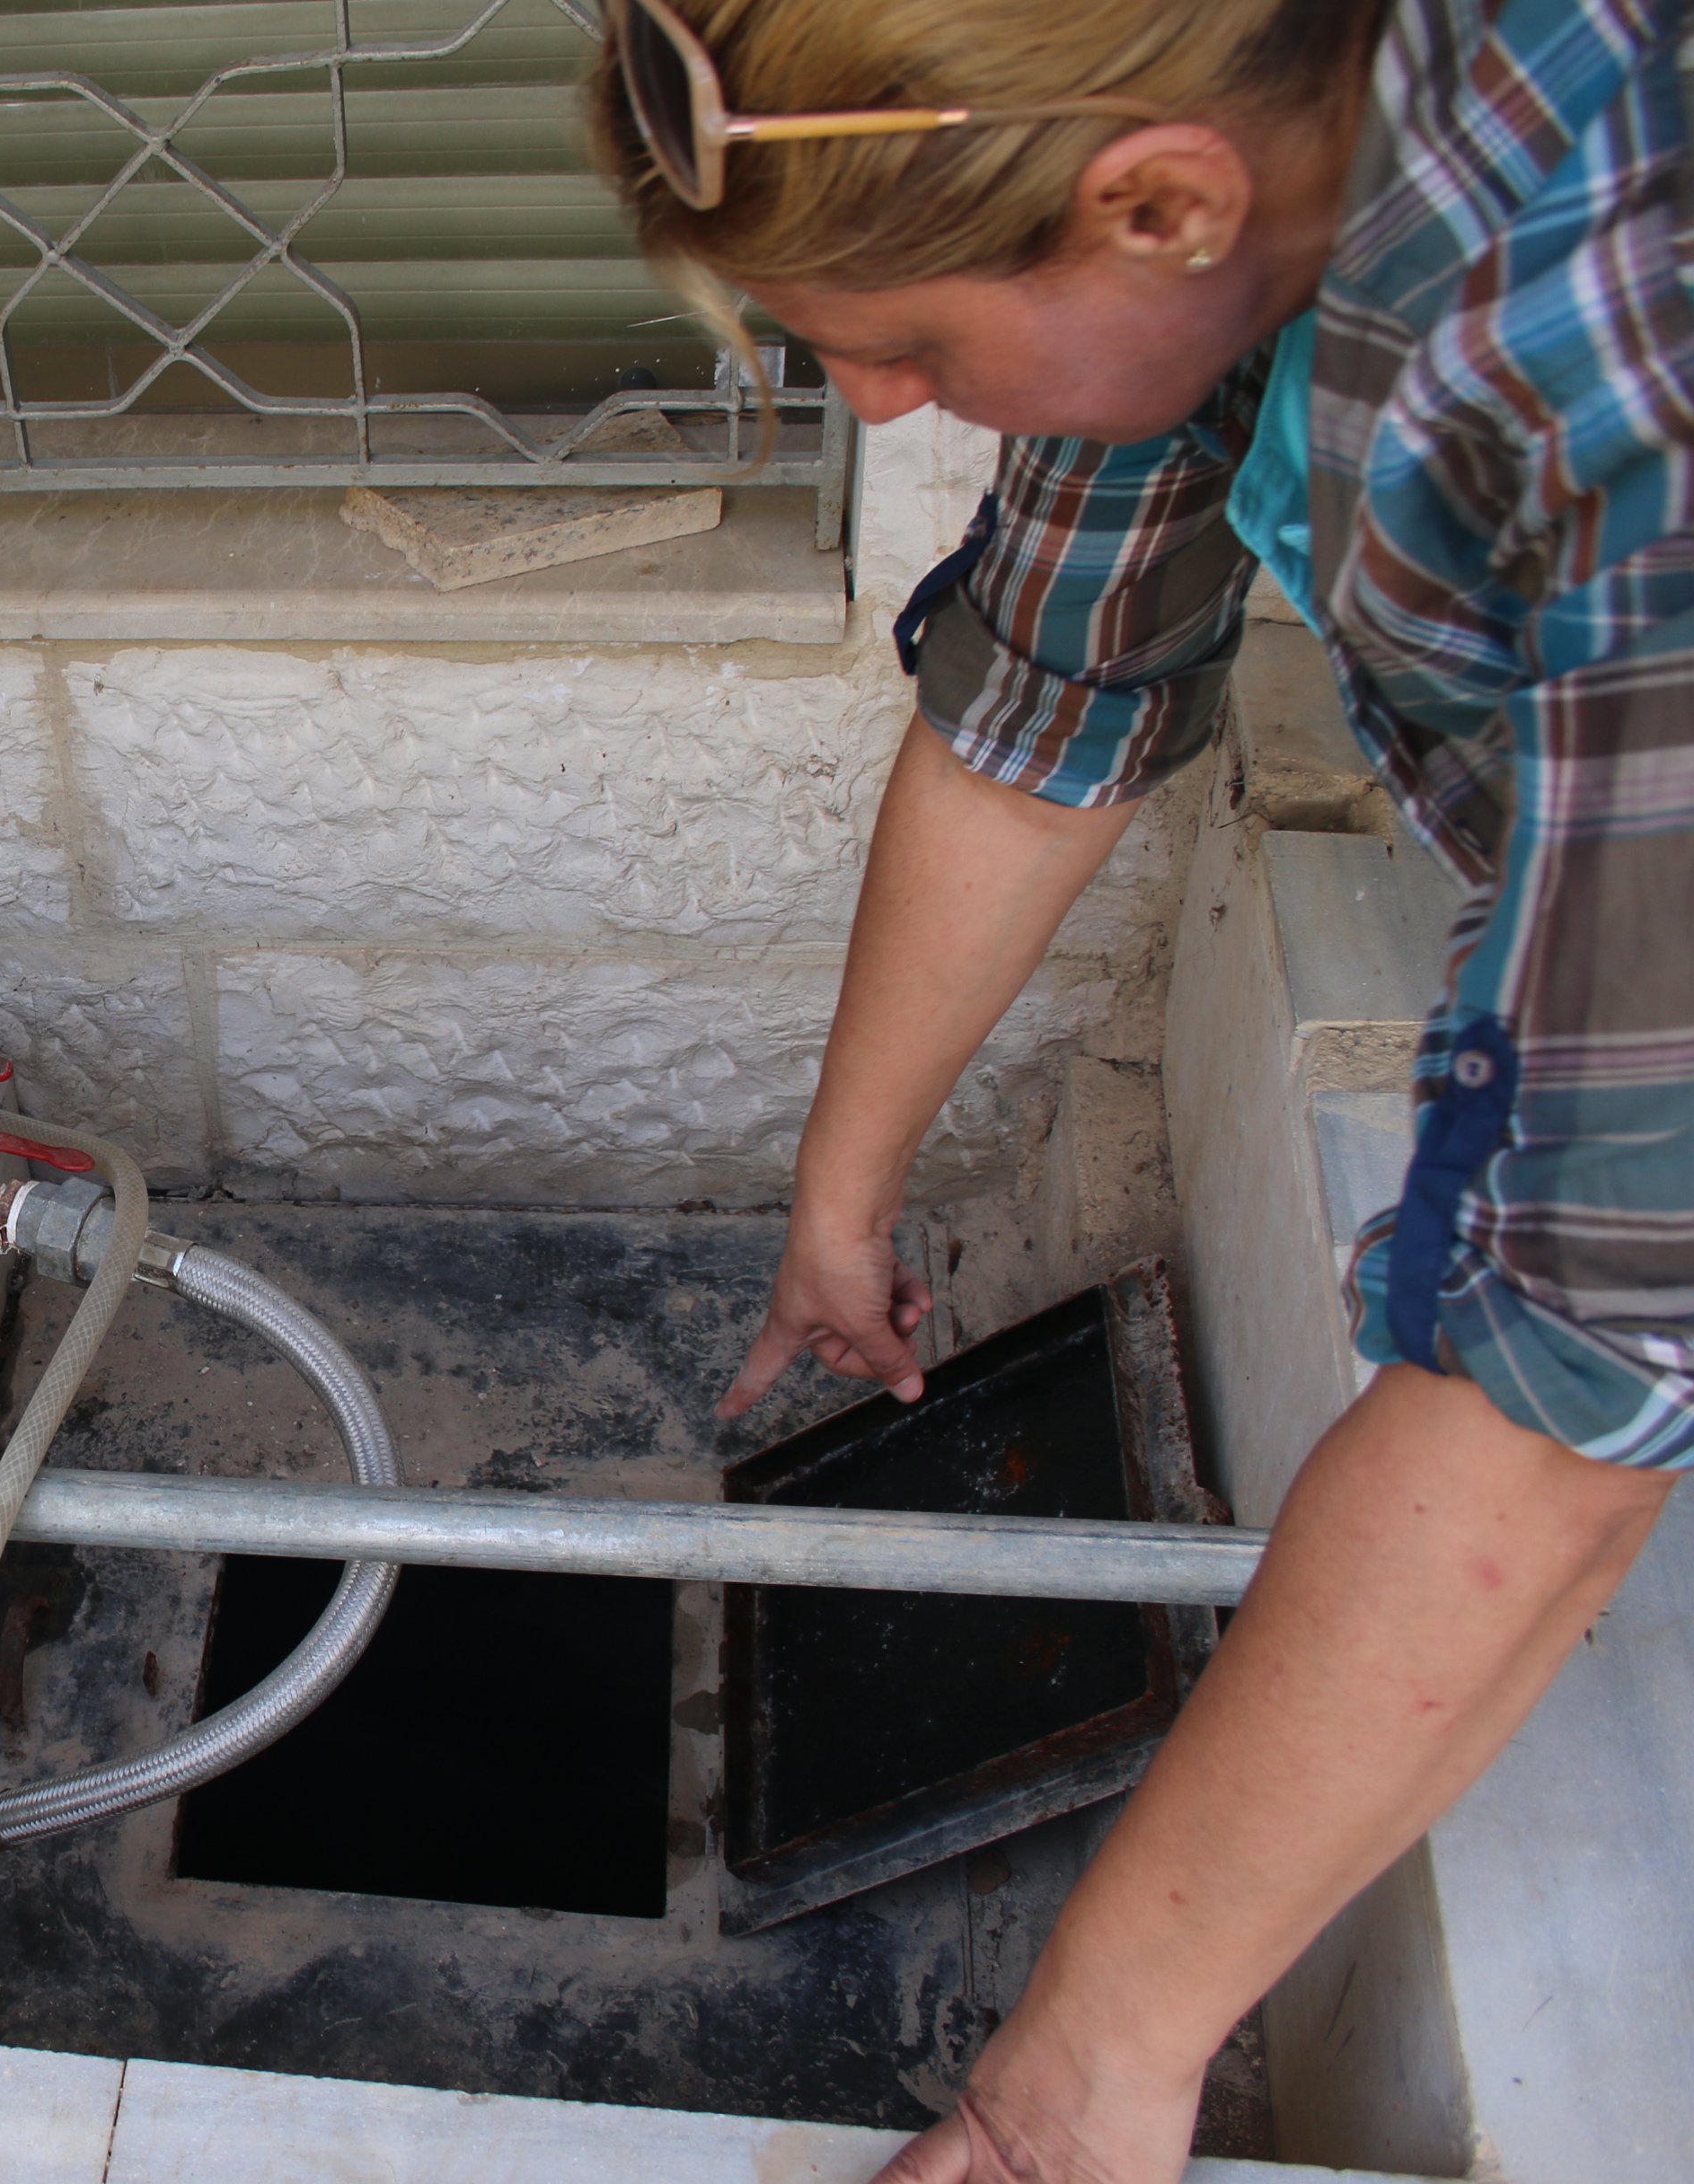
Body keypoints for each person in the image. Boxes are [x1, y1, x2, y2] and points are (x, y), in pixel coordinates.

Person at [586, 0, 1692, 2176]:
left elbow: (1578, 1356)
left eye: (898, 338)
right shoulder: (1211, 158)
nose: (870, 399)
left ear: (1159, 204)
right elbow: (1053, 684)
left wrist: (1068, 2084)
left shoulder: (1627, 406)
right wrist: (847, 1190)